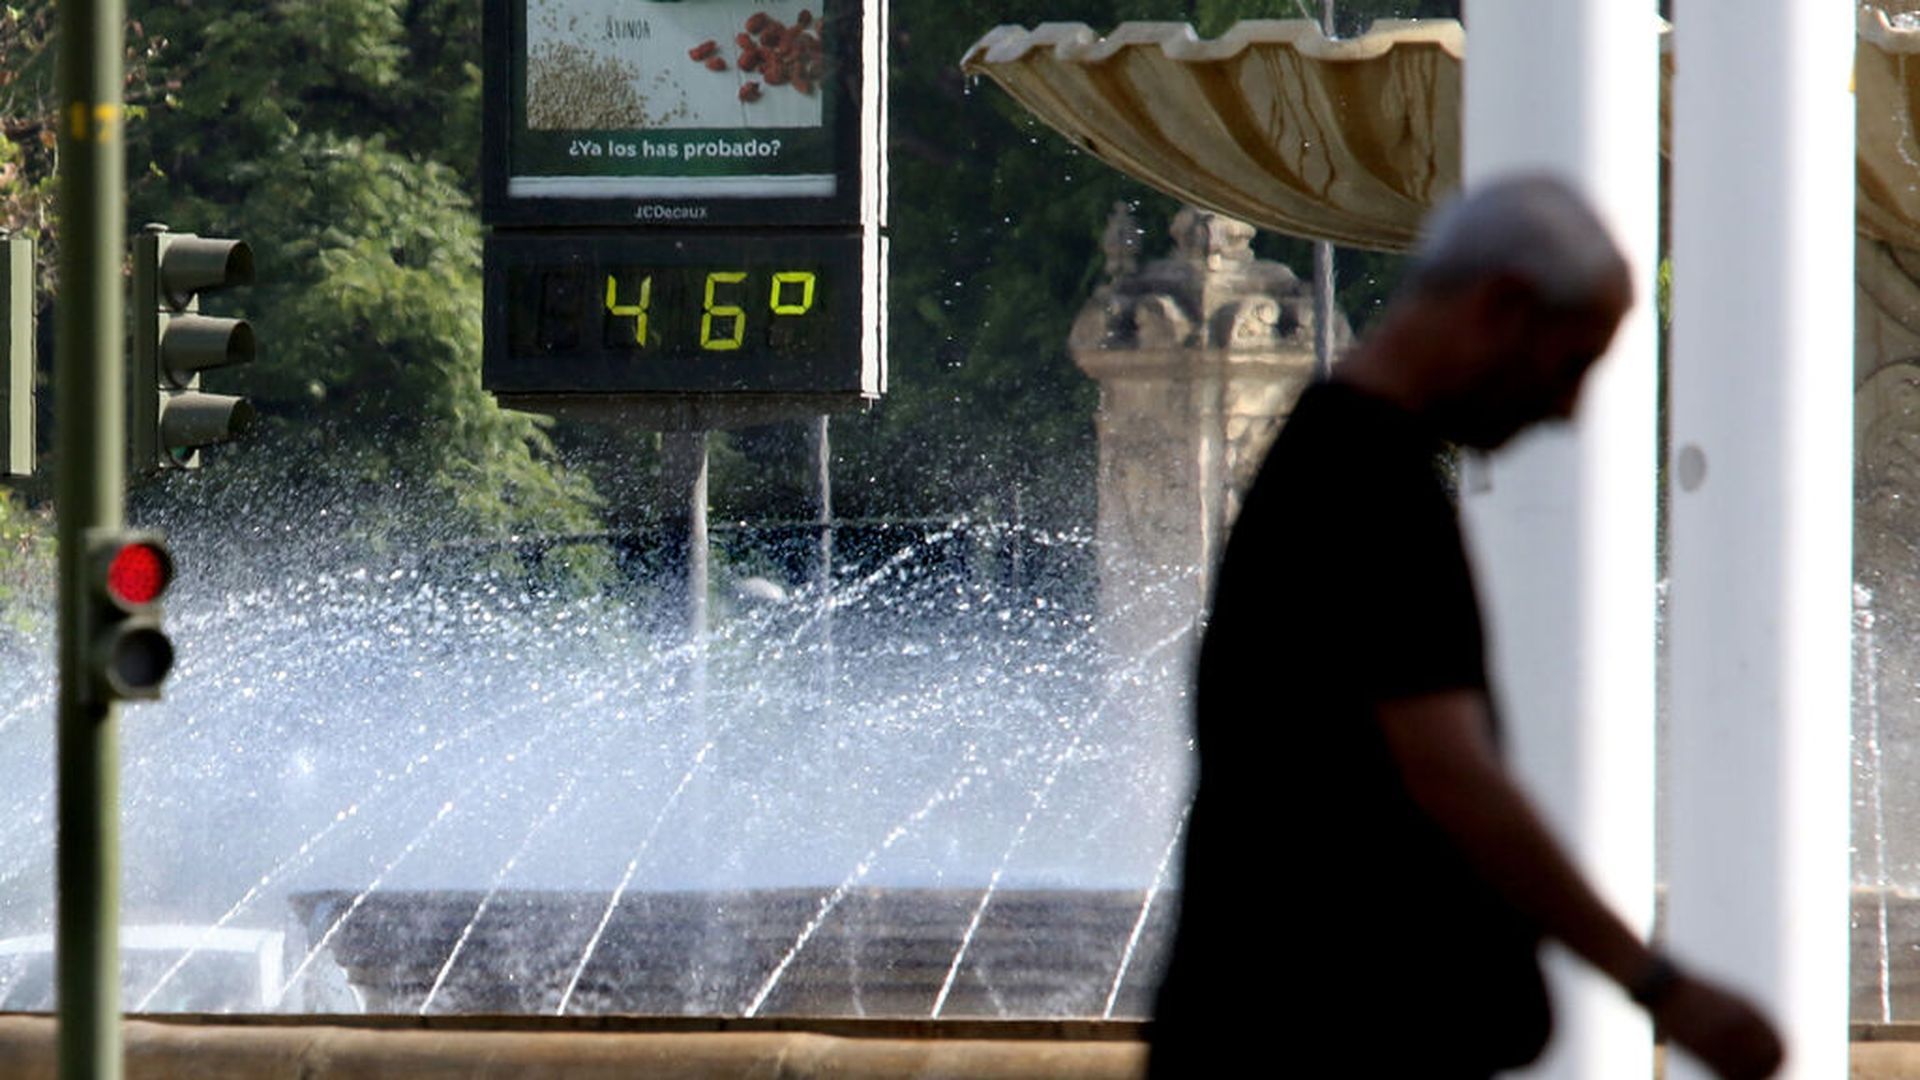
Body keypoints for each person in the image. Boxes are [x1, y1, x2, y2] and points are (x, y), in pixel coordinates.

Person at [1148, 174, 1784, 1079]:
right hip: (1320, 1038)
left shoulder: (1337, 455)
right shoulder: (1368, 488)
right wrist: (1662, 989)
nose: (1567, 407)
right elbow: (1450, 773)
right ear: (1503, 306)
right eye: (1571, 364)